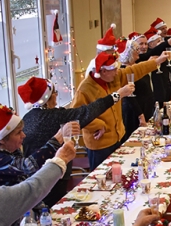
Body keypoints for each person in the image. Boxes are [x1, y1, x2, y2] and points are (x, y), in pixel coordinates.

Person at [18, 76, 133, 206]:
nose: (56, 95)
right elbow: (90, 110)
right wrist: (118, 95)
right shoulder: (54, 117)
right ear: (48, 98)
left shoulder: (27, 118)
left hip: (33, 181)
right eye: (55, 93)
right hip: (53, 178)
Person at [72, 51, 165, 170]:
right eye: (114, 70)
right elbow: (76, 116)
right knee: (103, 178)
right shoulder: (85, 89)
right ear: (104, 71)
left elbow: (135, 70)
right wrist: (98, 125)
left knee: (119, 175)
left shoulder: (114, 78)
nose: (118, 72)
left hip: (118, 137)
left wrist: (156, 62)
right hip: (100, 144)